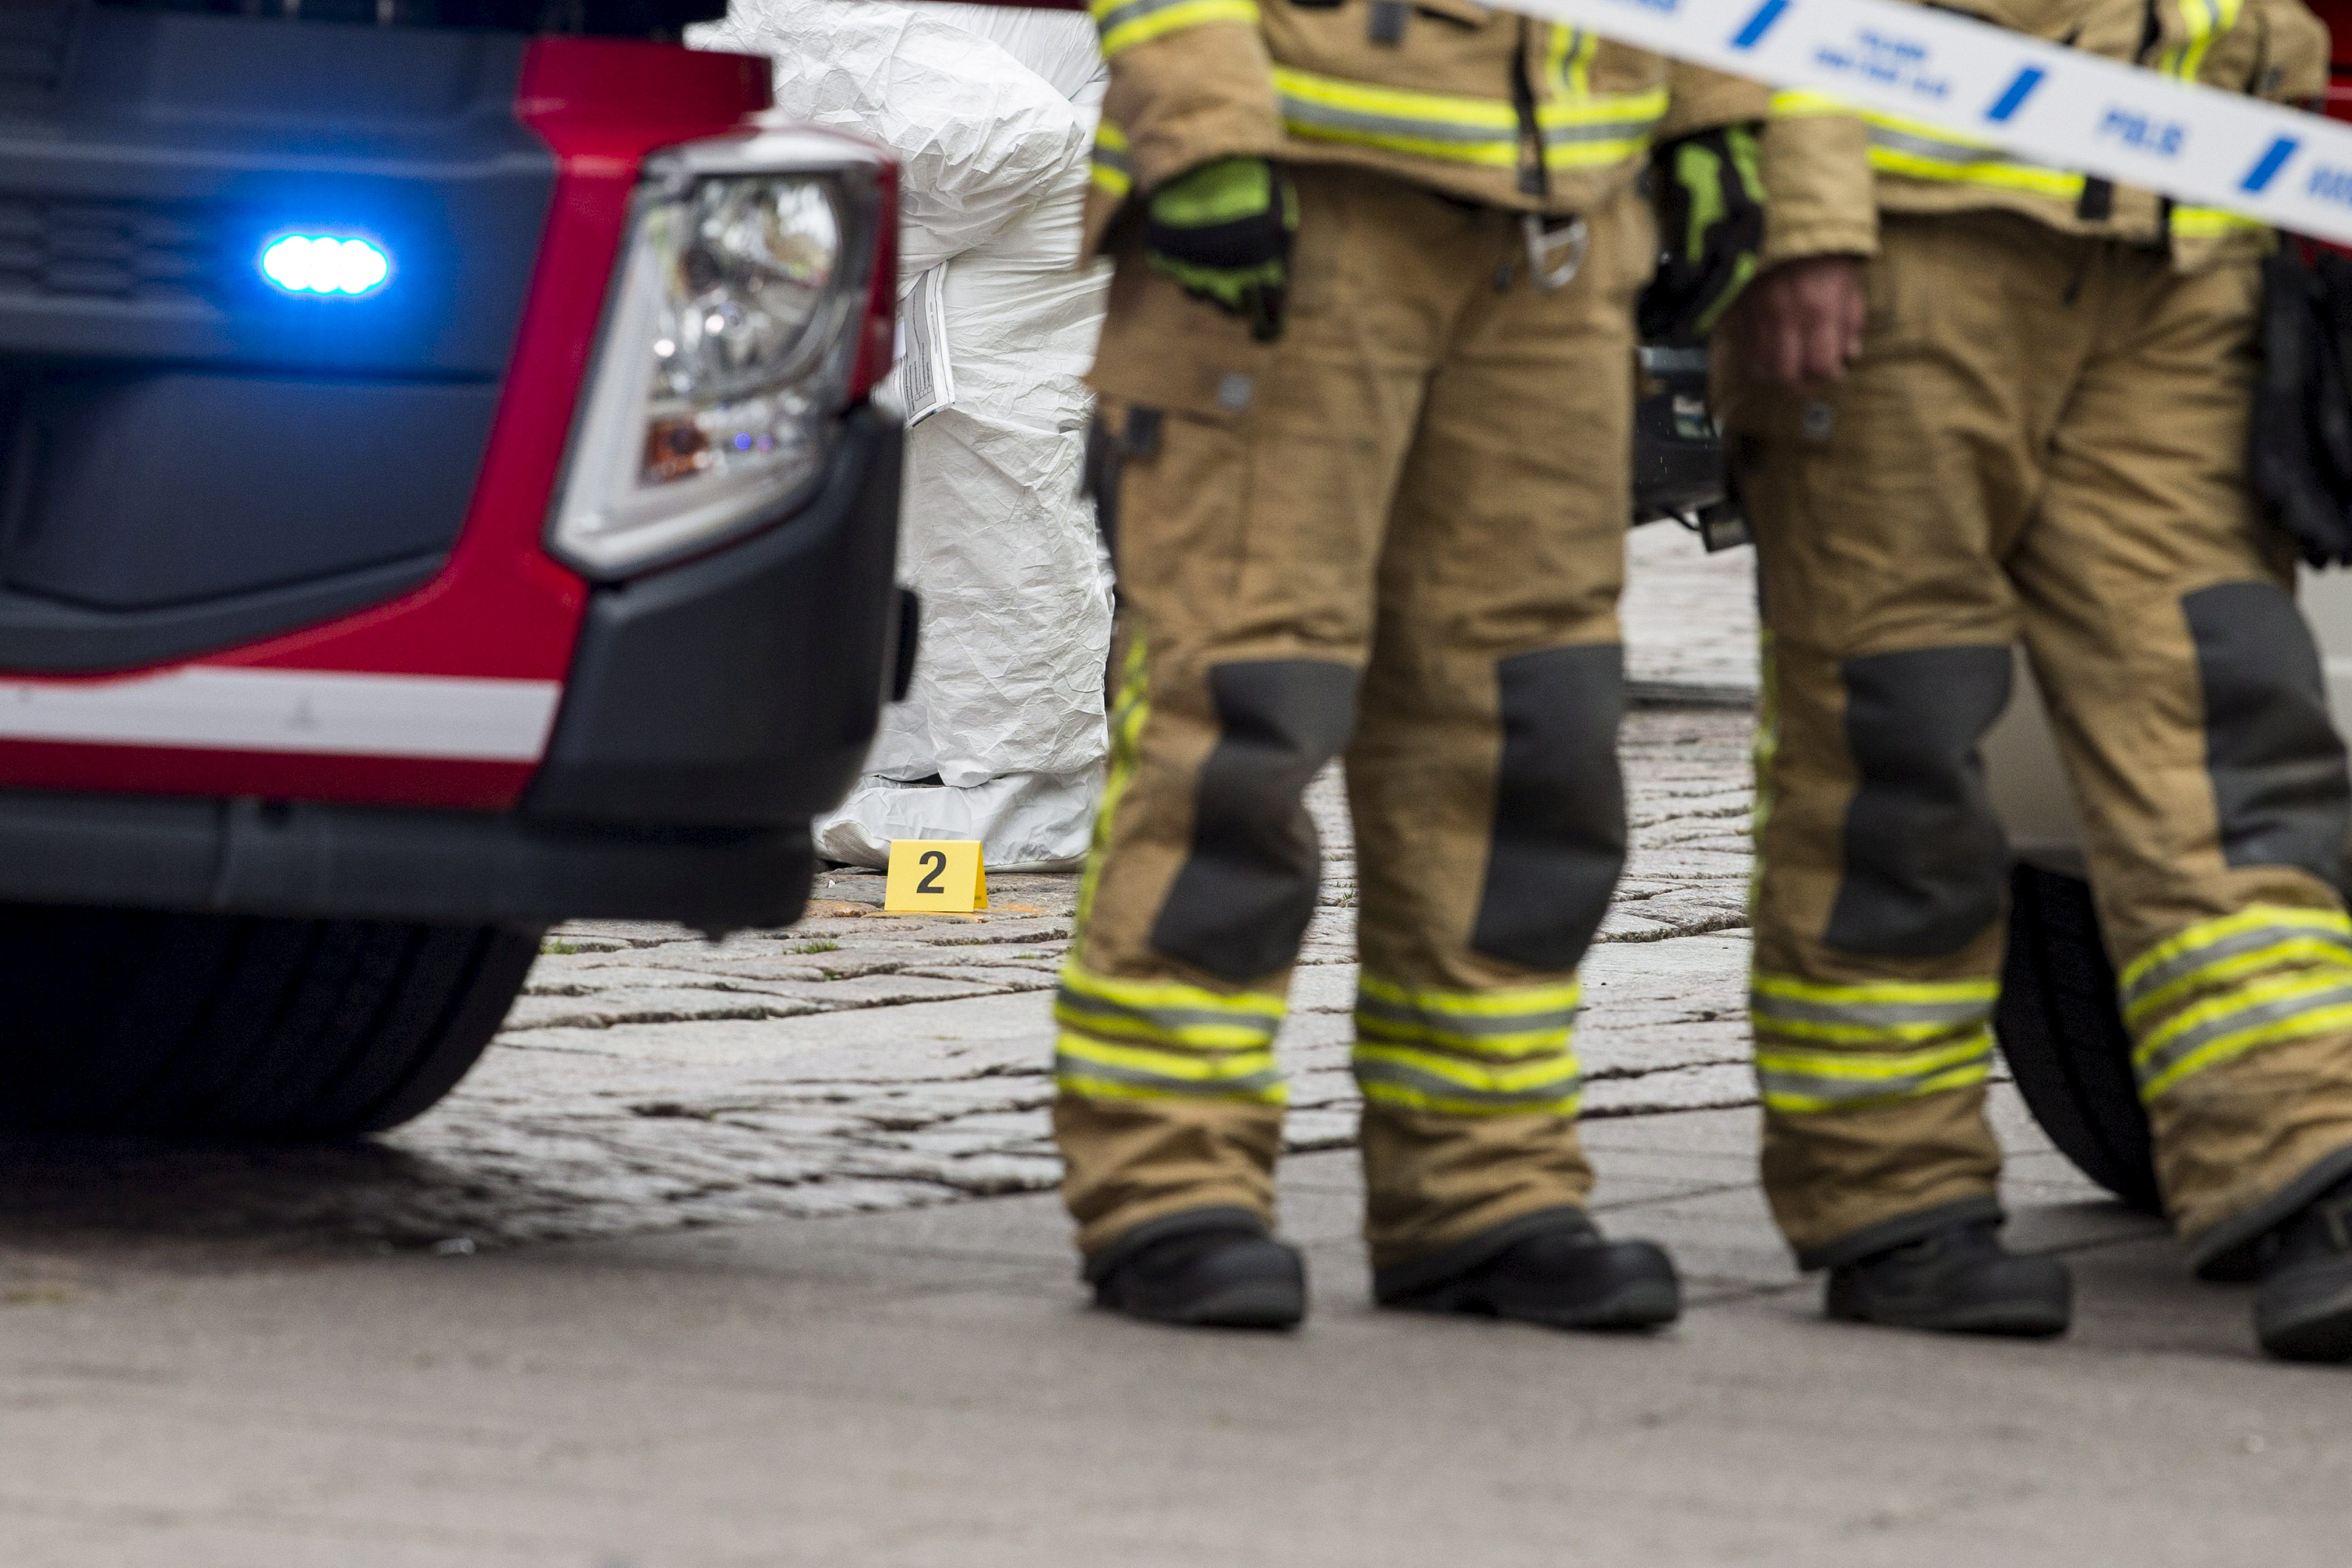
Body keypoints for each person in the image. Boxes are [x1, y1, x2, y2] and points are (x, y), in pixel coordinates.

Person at [1052, 0, 1768, 1329]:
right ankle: (1167, 1181)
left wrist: (1725, 113)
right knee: (1243, 716)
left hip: (1562, 224)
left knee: (1525, 722)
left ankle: (1482, 1187)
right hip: (1298, 193)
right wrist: (1204, 122)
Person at [1720, 0, 2352, 1359]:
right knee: (1892, 732)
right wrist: (1803, 214)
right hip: (1912, 238)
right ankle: (1894, 1202)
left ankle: (2301, 1166)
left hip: (2180, 250)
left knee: (2228, 716)